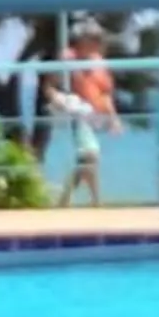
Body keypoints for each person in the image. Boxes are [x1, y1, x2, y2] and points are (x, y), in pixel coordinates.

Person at [51, 30, 120, 206]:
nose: (96, 45)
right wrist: (59, 100)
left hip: (96, 116)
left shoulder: (99, 64)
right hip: (79, 113)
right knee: (91, 154)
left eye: (98, 42)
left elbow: (106, 94)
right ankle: (96, 201)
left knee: (86, 160)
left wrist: (113, 118)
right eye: (93, 41)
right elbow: (50, 83)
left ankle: (64, 200)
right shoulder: (69, 58)